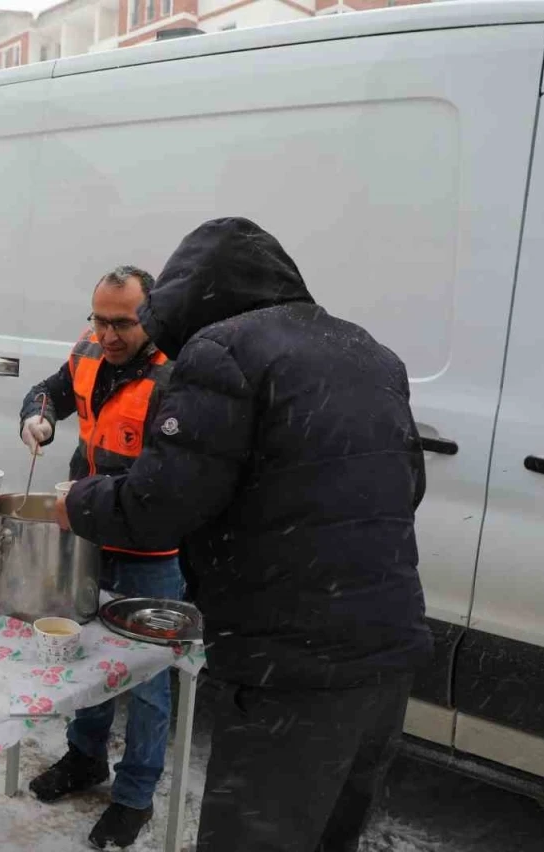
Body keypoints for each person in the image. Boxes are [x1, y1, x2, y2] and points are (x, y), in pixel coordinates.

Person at [58, 218, 432, 852]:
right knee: (329, 836)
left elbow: (158, 504)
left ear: (194, 297)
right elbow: (408, 486)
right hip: (387, 654)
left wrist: (77, 500)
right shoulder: (370, 352)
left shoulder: (225, 351)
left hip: (289, 664)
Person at [17, 266, 187, 849]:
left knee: (147, 681)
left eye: (123, 323)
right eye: (100, 320)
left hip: (147, 551)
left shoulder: (176, 375)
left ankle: (135, 795)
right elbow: (51, 390)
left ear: (151, 316)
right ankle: (84, 757)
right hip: (87, 539)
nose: (108, 335)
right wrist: (38, 415)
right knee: (84, 657)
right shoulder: (89, 351)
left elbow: (167, 481)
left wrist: (94, 499)